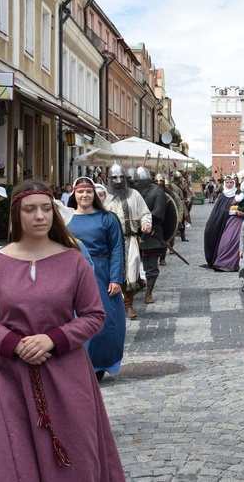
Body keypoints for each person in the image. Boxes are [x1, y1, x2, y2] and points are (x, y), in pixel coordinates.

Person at [0, 180, 124, 481]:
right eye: (30, 209)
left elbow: (93, 315)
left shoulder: (73, 260)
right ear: (16, 215)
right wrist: (13, 343)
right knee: (13, 458)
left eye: (46, 209)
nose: (40, 216)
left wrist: (54, 339)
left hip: (67, 372)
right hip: (8, 376)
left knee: (77, 457)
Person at [66, 176, 126, 382]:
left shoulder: (107, 219)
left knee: (103, 318)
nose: (84, 195)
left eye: (88, 192)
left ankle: (97, 364)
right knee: (72, 318)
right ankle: (73, 365)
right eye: (80, 192)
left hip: (101, 272)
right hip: (71, 273)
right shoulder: (64, 219)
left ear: (95, 195)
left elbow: (117, 249)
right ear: (73, 193)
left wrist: (116, 279)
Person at [105, 163, 152, 319]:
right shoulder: (104, 196)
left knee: (131, 270)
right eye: (114, 177)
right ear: (110, 179)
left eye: (120, 177)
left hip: (129, 239)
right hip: (109, 242)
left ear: (125, 178)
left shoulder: (134, 195)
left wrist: (145, 224)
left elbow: (144, 213)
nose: (118, 181)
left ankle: (128, 305)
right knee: (112, 273)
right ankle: (112, 305)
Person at [133, 167, 167, 304]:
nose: (137, 183)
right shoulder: (132, 193)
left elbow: (159, 213)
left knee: (151, 266)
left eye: (139, 181)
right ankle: (139, 283)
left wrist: (142, 219)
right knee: (131, 263)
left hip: (152, 233)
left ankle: (148, 293)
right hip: (133, 233)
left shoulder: (157, 192)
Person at [203, 175, 243, 272]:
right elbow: (217, 210)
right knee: (209, 231)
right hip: (222, 220)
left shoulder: (238, 193)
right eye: (227, 183)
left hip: (233, 222)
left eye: (231, 183)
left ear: (234, 183)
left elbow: (243, 207)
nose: (229, 185)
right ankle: (215, 258)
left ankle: (228, 262)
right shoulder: (223, 195)